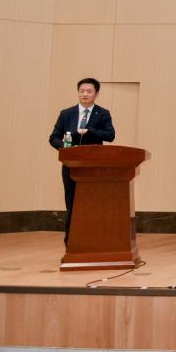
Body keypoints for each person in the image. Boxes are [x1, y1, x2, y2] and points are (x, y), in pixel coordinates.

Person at [48, 78, 116, 242]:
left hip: (94, 166)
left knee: (93, 203)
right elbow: (53, 138)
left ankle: (94, 239)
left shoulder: (103, 113)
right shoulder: (66, 114)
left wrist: (90, 131)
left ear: (96, 94)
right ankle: (71, 242)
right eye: (82, 91)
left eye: (89, 91)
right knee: (72, 203)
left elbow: (110, 135)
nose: (85, 94)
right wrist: (65, 148)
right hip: (71, 165)